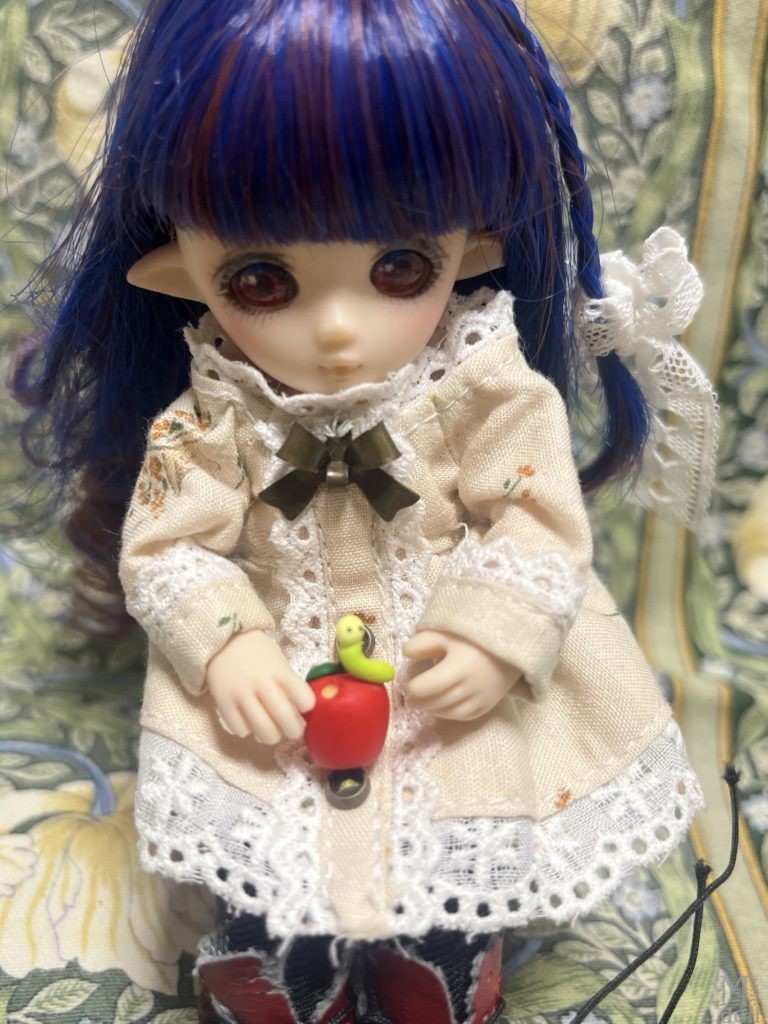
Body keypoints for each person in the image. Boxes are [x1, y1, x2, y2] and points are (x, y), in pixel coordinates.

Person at [17, 1, 717, 1021]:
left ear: (471, 250)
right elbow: (168, 547)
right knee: (274, 836)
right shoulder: (210, 422)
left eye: (400, 268)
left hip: (439, 679)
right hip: (280, 691)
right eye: (263, 279)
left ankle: (442, 948)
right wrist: (225, 643)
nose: (339, 330)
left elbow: (536, 518)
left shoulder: (486, 392)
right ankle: (281, 954)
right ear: (175, 273)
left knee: (461, 802)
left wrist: (492, 630)